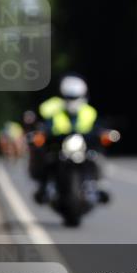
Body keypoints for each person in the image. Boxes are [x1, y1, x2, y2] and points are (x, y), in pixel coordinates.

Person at [33, 74, 104, 203]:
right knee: (48, 159)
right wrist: (42, 133)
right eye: (69, 97)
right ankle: (45, 187)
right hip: (59, 146)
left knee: (95, 157)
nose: (72, 101)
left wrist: (103, 133)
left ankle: (95, 186)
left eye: (75, 97)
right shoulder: (53, 110)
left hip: (82, 146)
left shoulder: (89, 112)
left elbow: (97, 127)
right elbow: (46, 125)